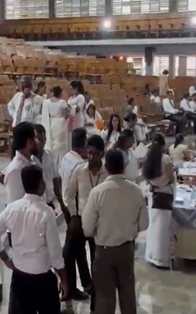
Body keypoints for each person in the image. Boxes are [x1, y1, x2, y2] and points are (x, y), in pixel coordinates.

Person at [0, 165, 67, 314]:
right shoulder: (46, 212)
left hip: (20, 276)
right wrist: (64, 279)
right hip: (42, 278)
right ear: (40, 184)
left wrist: (5, 258)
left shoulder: (12, 208)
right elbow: (55, 252)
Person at [82, 149, 149, 314]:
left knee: (104, 297)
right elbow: (144, 224)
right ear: (124, 166)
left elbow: (87, 228)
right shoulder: (135, 191)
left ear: (106, 166)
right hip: (126, 249)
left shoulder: (97, 193)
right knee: (128, 294)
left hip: (104, 251)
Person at [65, 134, 108, 312]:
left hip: (99, 223)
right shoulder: (79, 171)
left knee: (96, 262)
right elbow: (69, 194)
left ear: (102, 154)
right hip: (81, 219)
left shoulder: (107, 173)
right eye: (88, 153)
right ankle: (73, 289)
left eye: (95, 154)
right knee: (67, 253)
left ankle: (95, 301)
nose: (91, 157)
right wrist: (74, 215)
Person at [58, 128, 89, 303]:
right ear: (84, 145)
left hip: (69, 209)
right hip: (76, 212)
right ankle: (69, 288)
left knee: (77, 249)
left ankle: (86, 282)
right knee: (71, 250)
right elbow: (74, 192)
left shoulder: (66, 158)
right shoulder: (80, 166)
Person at [143, 134, 175, 269]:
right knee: (162, 228)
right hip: (164, 193)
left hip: (153, 193)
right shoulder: (165, 158)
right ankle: (161, 258)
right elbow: (170, 177)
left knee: (153, 227)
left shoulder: (148, 158)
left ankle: (151, 255)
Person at [31, 124, 65, 210]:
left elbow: (55, 180)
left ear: (45, 140)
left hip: (49, 202)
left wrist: (62, 204)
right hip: (35, 205)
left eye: (41, 139)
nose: (39, 142)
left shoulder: (49, 155)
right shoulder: (29, 160)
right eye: (37, 139)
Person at [3, 121, 37, 204]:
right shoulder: (15, 170)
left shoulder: (33, 161)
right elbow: (16, 205)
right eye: (35, 138)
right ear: (30, 142)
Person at [41, 86, 69, 165]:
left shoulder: (46, 102)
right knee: (60, 144)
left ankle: (51, 160)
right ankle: (59, 162)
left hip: (51, 123)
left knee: (52, 142)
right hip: (60, 123)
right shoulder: (62, 102)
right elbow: (65, 115)